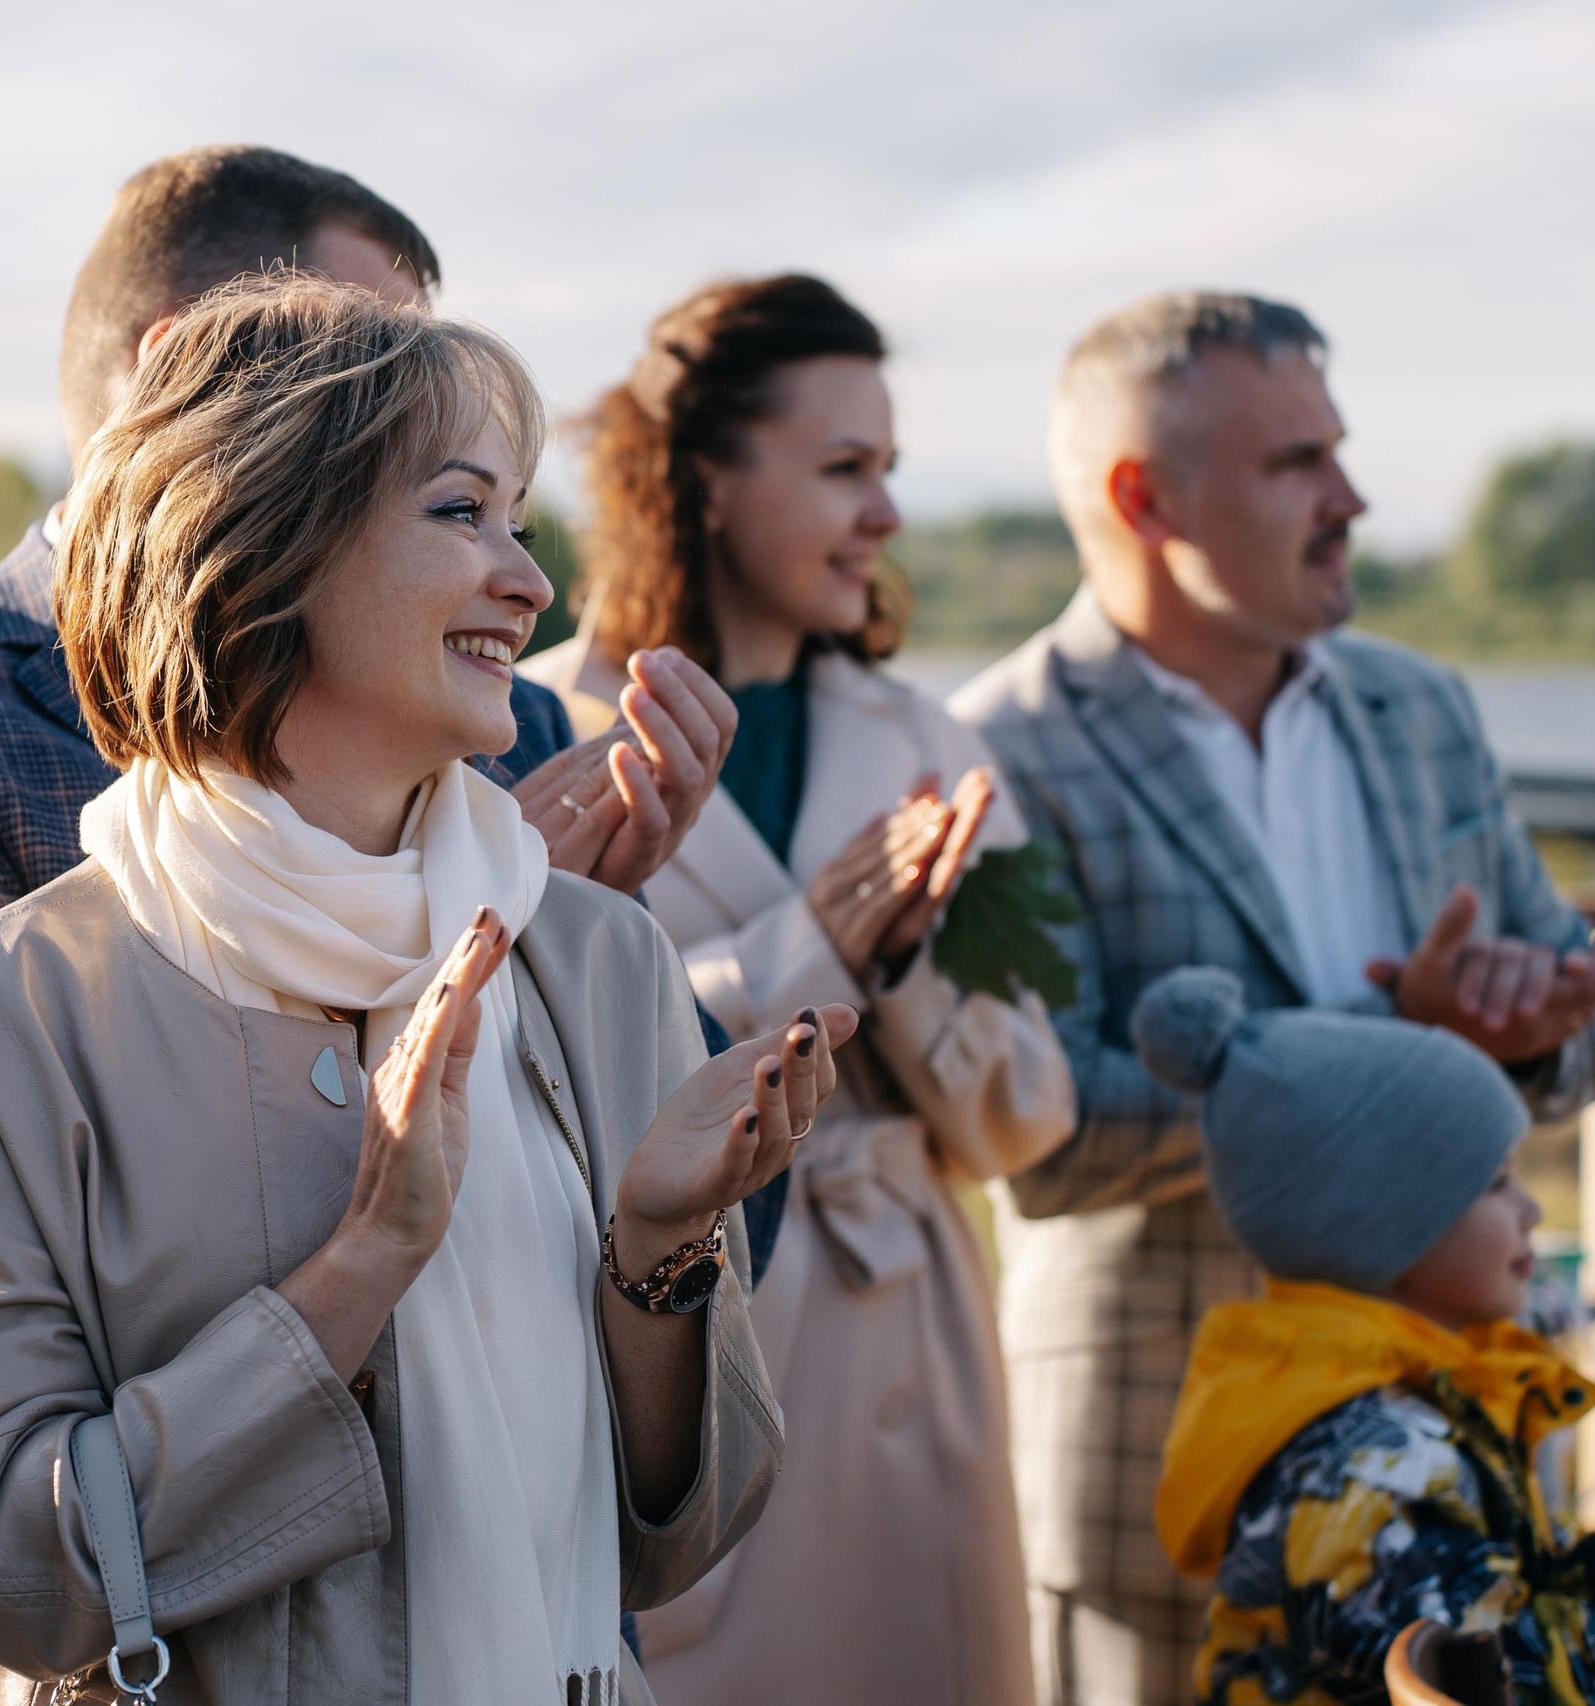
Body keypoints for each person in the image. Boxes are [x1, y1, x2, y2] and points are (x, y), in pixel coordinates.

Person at [0, 146, 735, 1706]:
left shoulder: (596, 953)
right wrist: (366, 1260)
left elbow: (676, 1530)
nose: (533, 586)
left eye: (519, 517)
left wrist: (667, 1252)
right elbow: (7, 1533)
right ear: (263, 530)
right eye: (463, 508)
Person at [948, 291, 1595, 1706]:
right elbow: (1042, 1128)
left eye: (1337, 451)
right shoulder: (987, 748)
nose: (1352, 497)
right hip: (1161, 1473)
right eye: (1295, 465)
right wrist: (1407, 1049)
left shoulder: (1422, 705)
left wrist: (1543, 1023)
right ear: (1144, 496)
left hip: (1463, 1477)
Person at [524, 274, 1075, 1706]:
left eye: (888, 468)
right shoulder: (544, 734)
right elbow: (540, 1050)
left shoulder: (930, 744)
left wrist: (893, 969)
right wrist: (807, 952)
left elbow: (1024, 1125)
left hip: (910, 1334)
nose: (886, 511)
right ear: (702, 479)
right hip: (683, 1332)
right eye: (845, 468)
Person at [1129, 967, 1595, 1706]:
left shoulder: (1430, 1406)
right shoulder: (1370, 1471)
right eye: (1494, 1183)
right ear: (1380, 1223)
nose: (1530, 1209)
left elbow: (1523, 1621)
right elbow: (1508, 1687)